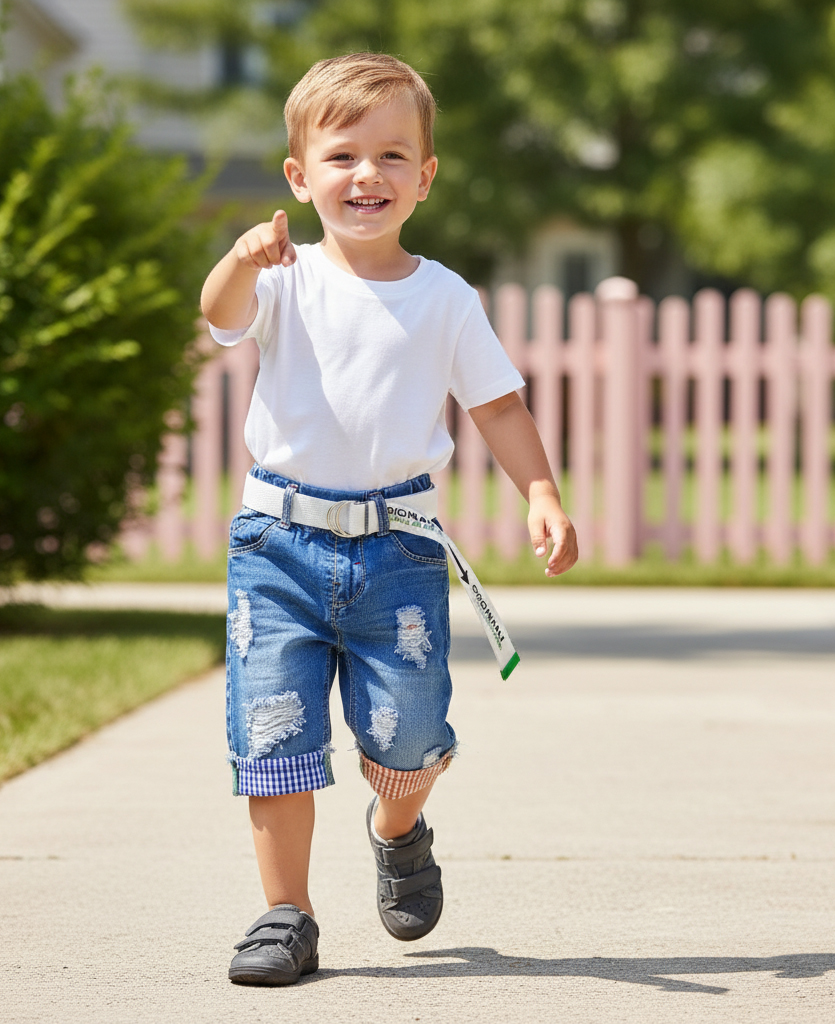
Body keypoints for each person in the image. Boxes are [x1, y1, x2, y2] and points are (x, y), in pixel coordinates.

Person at [200, 52, 578, 987]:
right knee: (276, 735)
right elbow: (219, 317)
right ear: (300, 176)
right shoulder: (283, 278)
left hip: (397, 553)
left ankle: (398, 826)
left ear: (425, 176)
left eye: (391, 156)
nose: (366, 175)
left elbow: (497, 405)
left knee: (409, 740)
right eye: (342, 157)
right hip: (277, 548)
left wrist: (541, 492)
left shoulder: (445, 298)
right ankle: (286, 914)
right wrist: (240, 259)